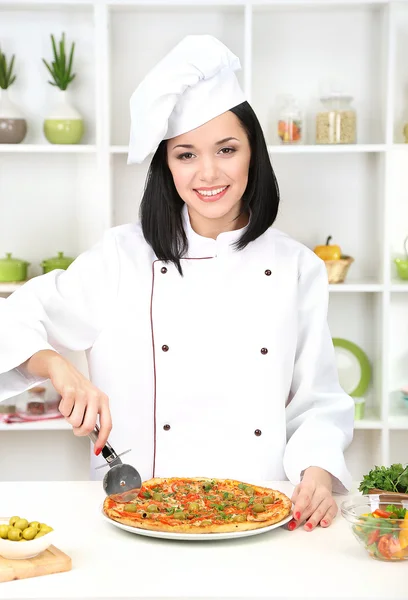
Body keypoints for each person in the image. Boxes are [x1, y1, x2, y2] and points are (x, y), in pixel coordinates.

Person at [0, 35, 354, 532]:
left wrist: (317, 472)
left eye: (226, 149)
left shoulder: (298, 267)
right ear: (167, 166)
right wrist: (58, 368)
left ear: (254, 153)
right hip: (138, 512)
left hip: (262, 513)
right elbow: (12, 320)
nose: (208, 173)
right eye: (186, 154)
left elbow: (317, 401)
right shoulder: (122, 257)